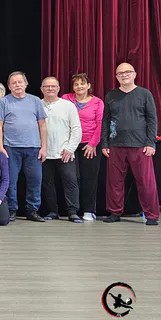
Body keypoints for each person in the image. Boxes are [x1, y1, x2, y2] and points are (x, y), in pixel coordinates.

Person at [101, 62, 160, 225]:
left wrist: (151, 143)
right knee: (114, 182)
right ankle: (114, 212)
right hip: (115, 145)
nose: (124, 75)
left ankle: (151, 215)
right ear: (116, 77)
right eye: (120, 73)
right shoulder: (111, 96)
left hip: (141, 146)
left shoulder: (145, 94)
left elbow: (152, 120)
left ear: (134, 74)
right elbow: (105, 121)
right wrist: (105, 143)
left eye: (128, 72)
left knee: (146, 182)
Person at [0, 71, 48, 223]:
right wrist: (0, 146)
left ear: (26, 84)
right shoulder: (4, 101)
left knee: (35, 180)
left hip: (33, 148)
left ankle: (32, 210)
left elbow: (42, 125)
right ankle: (11, 210)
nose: (17, 85)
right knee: (10, 181)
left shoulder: (36, 100)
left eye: (20, 82)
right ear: (9, 86)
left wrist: (44, 147)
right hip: (11, 147)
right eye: (14, 83)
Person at [39, 77, 83, 223]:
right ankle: (52, 211)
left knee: (70, 181)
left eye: (53, 86)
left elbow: (76, 128)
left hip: (65, 152)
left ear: (58, 88)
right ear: (42, 89)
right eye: (47, 86)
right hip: (43, 152)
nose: (50, 89)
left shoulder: (68, 106)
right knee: (47, 183)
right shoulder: (37, 105)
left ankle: (72, 211)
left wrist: (70, 148)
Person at [62, 73, 105, 221]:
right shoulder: (66, 99)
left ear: (88, 86)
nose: (79, 86)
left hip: (89, 145)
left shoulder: (97, 102)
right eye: (76, 84)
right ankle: (72, 209)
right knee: (72, 178)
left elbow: (100, 124)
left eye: (82, 83)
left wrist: (93, 144)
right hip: (69, 145)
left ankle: (88, 210)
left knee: (89, 178)